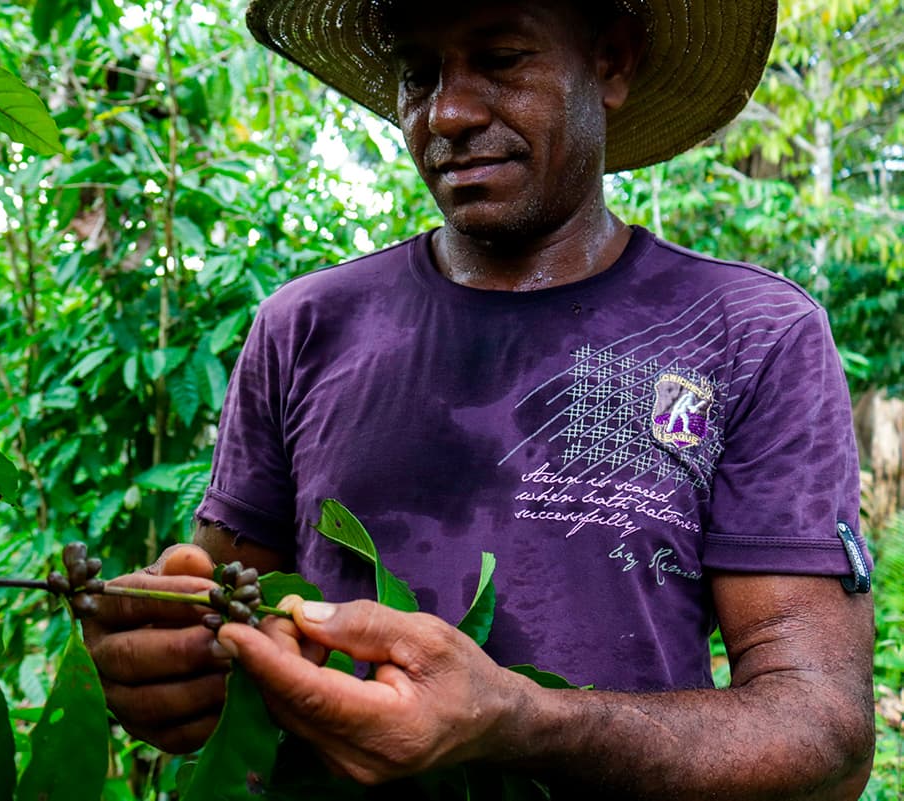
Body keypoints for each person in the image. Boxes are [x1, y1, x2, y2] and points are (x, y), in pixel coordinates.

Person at [80, 0, 877, 797]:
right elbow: (225, 618)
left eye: (501, 59)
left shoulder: (749, 333)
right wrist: (172, 665)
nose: (450, 113)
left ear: (612, 62)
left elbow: (822, 733)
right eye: (417, 75)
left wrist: (522, 720)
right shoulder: (304, 327)